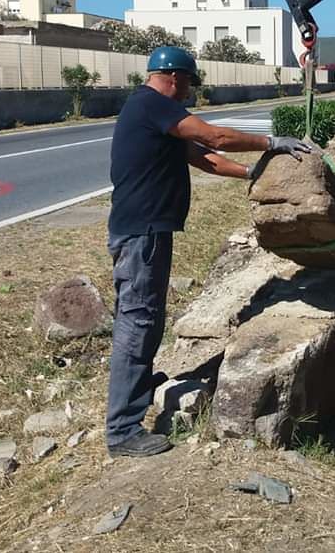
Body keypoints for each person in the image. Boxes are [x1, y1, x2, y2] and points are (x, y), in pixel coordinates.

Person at [106, 46, 310, 458]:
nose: (188, 94)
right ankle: (123, 429)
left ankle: (138, 385)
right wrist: (269, 142)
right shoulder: (152, 104)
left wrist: (253, 172)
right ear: (176, 78)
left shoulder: (150, 112)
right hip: (142, 232)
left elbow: (203, 158)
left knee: (147, 315)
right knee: (138, 320)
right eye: (188, 86)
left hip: (146, 231)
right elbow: (212, 137)